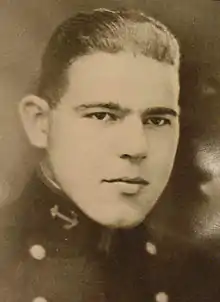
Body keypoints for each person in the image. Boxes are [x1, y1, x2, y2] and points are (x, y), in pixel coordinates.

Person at [0, 8, 180, 302]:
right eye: (102, 115)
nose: (136, 147)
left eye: (157, 121)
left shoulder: (201, 271)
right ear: (40, 123)